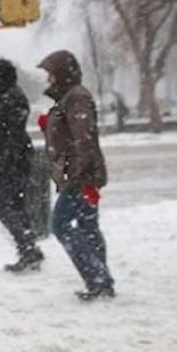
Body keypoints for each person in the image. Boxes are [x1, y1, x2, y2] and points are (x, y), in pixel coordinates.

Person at [37, 50, 115, 301]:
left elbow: (84, 139)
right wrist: (48, 125)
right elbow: (71, 132)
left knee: (59, 225)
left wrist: (81, 178)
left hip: (79, 177)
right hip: (81, 175)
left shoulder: (76, 98)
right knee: (88, 227)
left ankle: (97, 278)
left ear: (60, 73)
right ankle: (102, 281)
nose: (48, 79)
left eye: (50, 73)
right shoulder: (70, 98)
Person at [0, 59, 44, 272]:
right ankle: (29, 249)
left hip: (12, 165)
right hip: (13, 163)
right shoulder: (7, 98)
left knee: (0, 205)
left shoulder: (10, 100)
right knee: (16, 207)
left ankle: (28, 247)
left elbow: (12, 137)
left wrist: (1, 165)